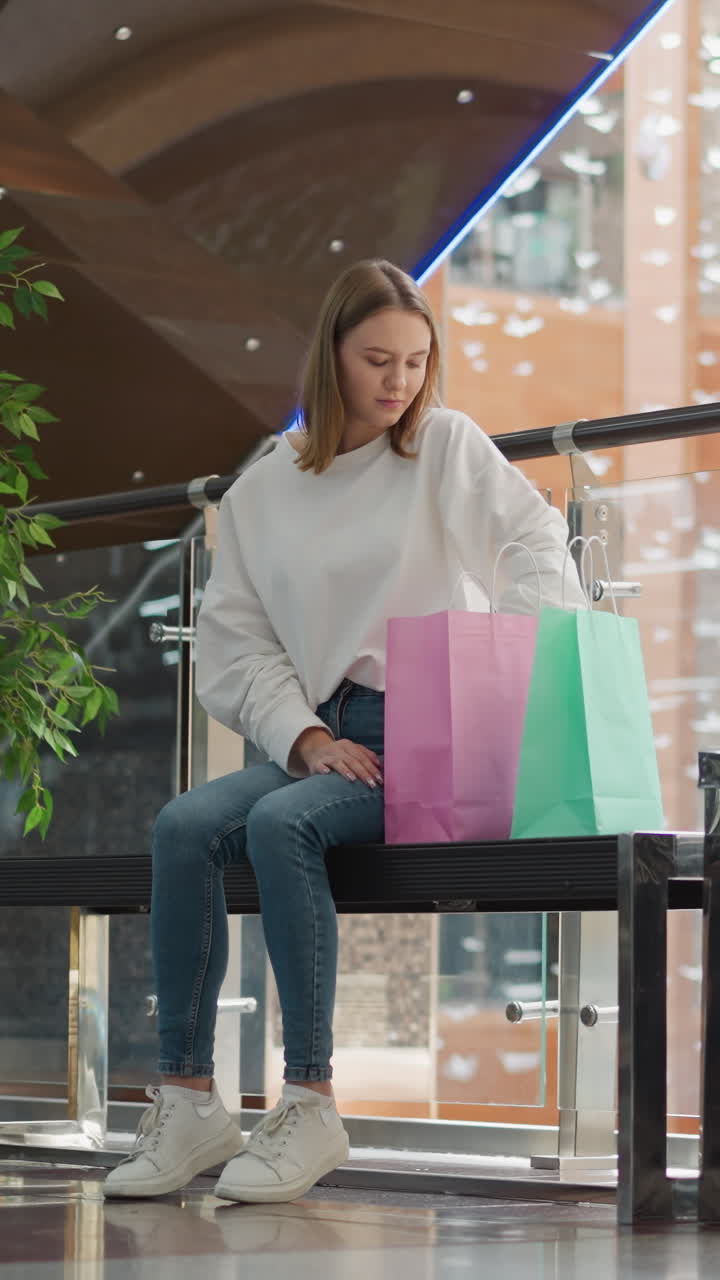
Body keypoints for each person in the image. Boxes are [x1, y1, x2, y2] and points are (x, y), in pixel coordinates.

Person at [104, 258, 587, 1202]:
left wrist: (484, 671)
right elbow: (234, 640)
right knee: (183, 826)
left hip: (433, 730)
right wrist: (304, 738)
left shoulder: (443, 446)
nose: (399, 382)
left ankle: (312, 1099)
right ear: (329, 357)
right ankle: (191, 1095)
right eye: (377, 359)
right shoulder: (263, 487)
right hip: (322, 738)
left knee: (285, 826)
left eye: (415, 361)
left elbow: (537, 549)